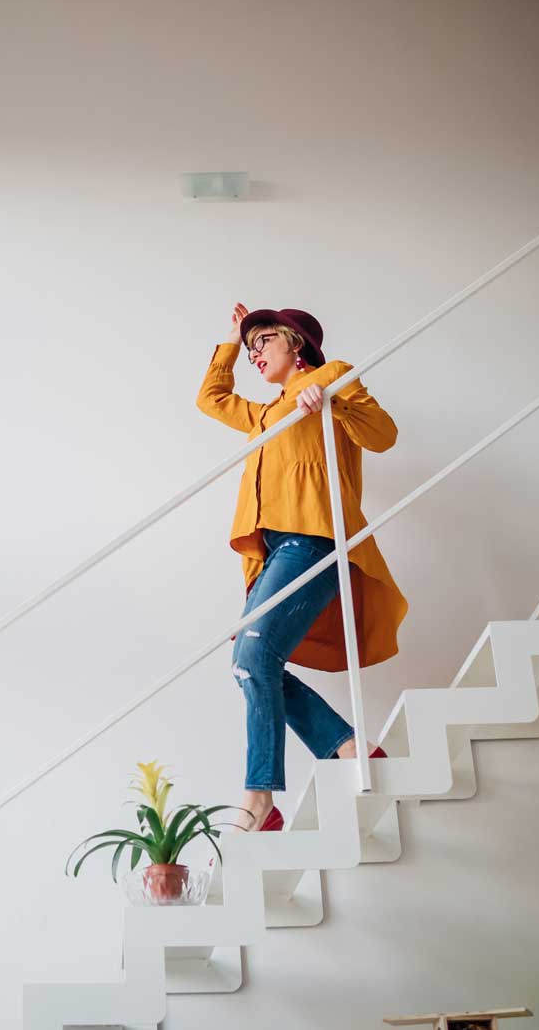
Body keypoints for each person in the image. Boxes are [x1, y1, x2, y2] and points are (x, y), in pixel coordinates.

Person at [196, 302, 409, 833]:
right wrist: (230, 341)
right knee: (252, 663)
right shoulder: (266, 413)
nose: (254, 354)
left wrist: (332, 403)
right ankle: (353, 747)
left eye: (263, 341)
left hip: (312, 541)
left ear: (296, 342)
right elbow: (211, 399)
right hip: (273, 552)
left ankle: (259, 799)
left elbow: (383, 435)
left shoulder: (332, 376)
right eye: (250, 350)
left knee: (252, 657)